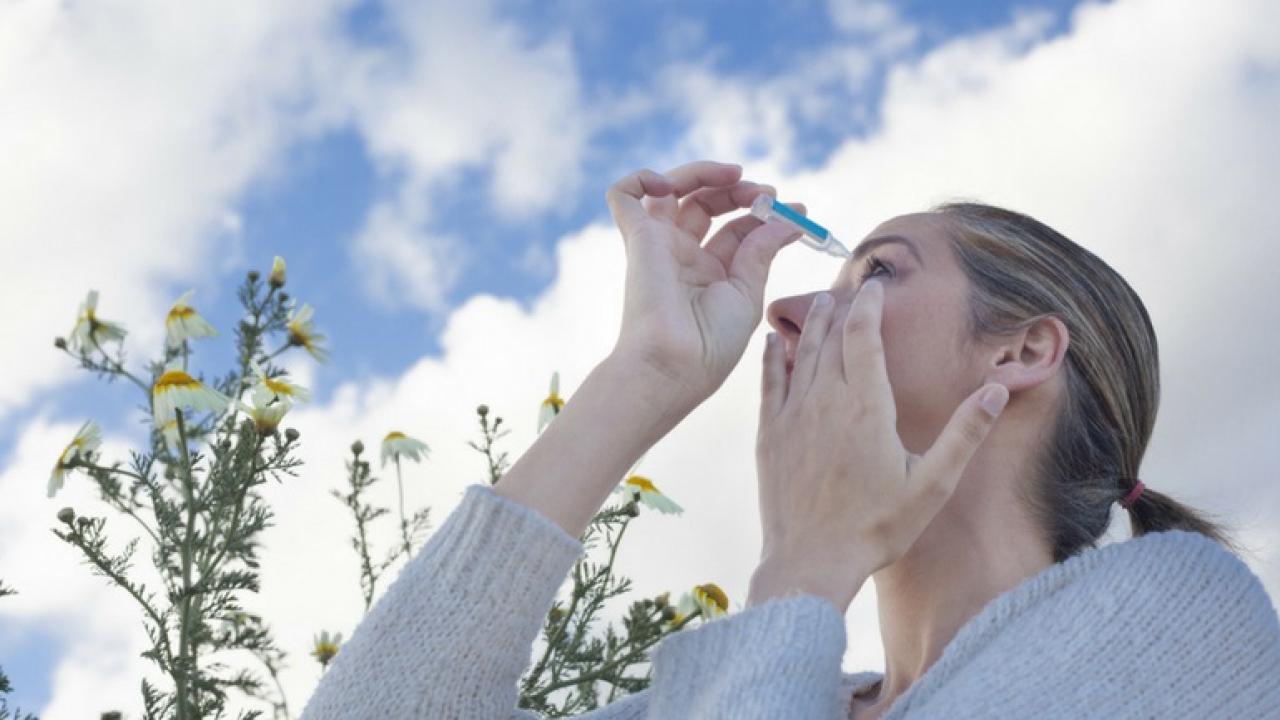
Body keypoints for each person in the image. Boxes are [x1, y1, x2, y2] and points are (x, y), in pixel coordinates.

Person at [299, 160, 1280, 719]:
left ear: (1019, 351)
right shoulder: (743, 687)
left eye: (875, 274)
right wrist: (641, 374)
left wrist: (805, 566)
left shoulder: (1183, 612)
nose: (791, 311)